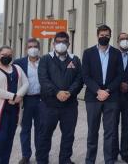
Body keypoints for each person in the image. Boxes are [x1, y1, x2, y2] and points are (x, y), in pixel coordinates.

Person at [36, 31, 83, 164]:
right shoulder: (45, 59)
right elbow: (43, 79)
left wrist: (69, 92)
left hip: (69, 106)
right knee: (44, 135)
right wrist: (57, 92)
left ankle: (65, 160)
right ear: (53, 44)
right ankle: (42, 160)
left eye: (64, 42)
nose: (61, 44)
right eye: (58, 42)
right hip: (49, 105)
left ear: (69, 43)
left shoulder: (75, 59)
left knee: (68, 135)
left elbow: (79, 79)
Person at [81, 25, 124, 164]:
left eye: (107, 35)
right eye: (101, 34)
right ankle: (90, 161)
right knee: (92, 132)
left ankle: (109, 161)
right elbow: (85, 75)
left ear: (110, 36)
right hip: (93, 97)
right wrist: (98, 90)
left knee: (110, 133)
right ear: (97, 35)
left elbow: (120, 75)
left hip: (111, 97)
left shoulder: (116, 53)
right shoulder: (88, 53)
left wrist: (108, 91)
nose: (104, 37)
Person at [0, 45, 29, 164]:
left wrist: (18, 96)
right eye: (4, 55)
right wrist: (13, 96)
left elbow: (26, 83)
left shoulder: (17, 68)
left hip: (13, 111)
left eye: (9, 55)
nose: (7, 57)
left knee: (9, 140)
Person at [14, 38, 42, 164]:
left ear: (39, 48)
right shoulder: (19, 63)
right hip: (26, 101)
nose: (33, 48)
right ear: (26, 49)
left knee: (40, 130)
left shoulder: (45, 62)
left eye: (35, 46)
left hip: (42, 100)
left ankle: (40, 155)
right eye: (30, 46)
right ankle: (26, 156)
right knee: (25, 129)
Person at [112, 32, 128, 163]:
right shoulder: (111, 55)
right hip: (114, 96)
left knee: (127, 126)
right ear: (117, 41)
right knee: (113, 126)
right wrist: (119, 84)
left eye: (127, 39)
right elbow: (109, 73)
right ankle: (113, 152)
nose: (125, 41)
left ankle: (125, 152)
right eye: (122, 39)